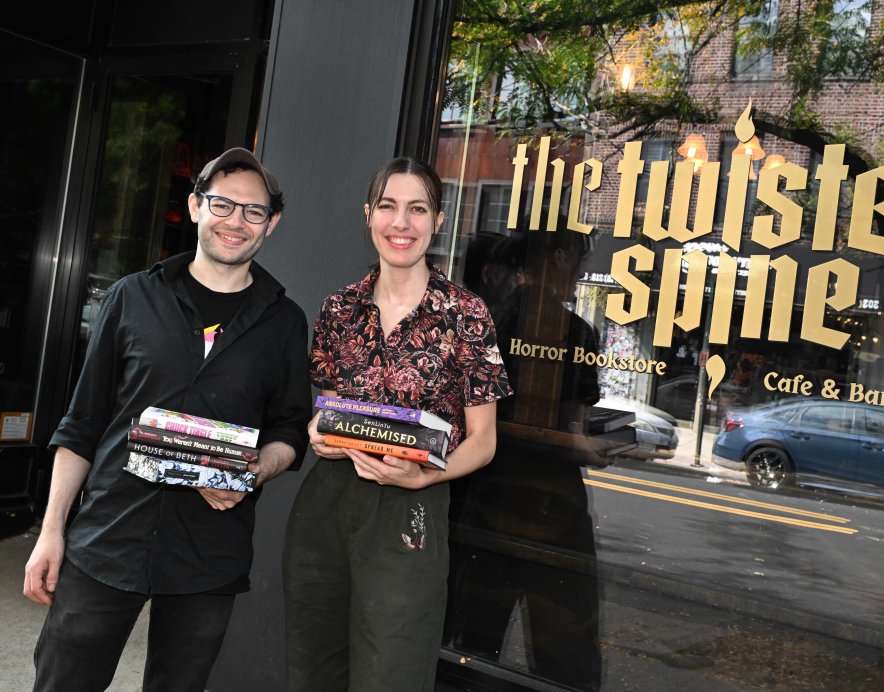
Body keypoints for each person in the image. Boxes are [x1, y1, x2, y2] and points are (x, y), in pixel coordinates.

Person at [23, 148, 311, 692]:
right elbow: (83, 422)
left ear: (271, 225)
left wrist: (254, 469)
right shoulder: (132, 297)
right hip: (108, 536)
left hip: (210, 552)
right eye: (223, 204)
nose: (236, 222)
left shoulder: (285, 322)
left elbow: (290, 430)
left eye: (254, 212)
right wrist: (52, 531)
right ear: (197, 205)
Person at [283, 157, 511, 691]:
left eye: (417, 209)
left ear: (438, 221)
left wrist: (426, 476)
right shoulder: (340, 308)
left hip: (413, 503)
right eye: (388, 207)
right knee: (313, 666)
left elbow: (484, 441)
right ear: (368, 215)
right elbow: (330, 412)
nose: (400, 223)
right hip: (327, 507)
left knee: (393, 672)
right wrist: (320, 433)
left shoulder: (465, 314)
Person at [444, 226, 603, 690]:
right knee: (561, 652)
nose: (581, 272)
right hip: (552, 507)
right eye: (577, 261)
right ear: (557, 260)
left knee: (471, 641)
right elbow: (570, 430)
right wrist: (598, 449)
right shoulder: (577, 332)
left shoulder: (487, 321)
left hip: (484, 497)